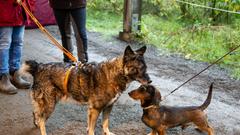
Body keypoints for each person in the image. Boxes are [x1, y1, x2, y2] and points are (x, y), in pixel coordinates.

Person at [0, 0, 35, 95]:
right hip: (4, 10)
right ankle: (3, 75)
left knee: (18, 42)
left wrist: (30, 5)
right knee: (5, 44)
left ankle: (15, 72)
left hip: (20, 11)